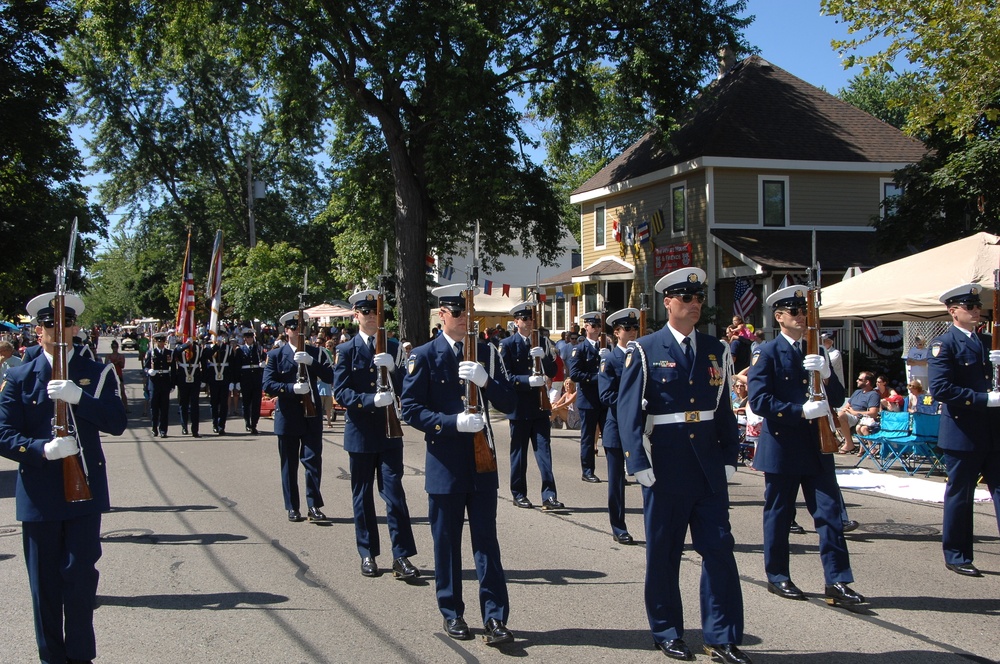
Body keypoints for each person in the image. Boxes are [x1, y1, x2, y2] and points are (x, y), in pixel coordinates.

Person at [617, 268, 750, 664]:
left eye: (698, 298)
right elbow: (628, 414)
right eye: (686, 298)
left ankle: (722, 637)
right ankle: (667, 631)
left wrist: (730, 455)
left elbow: (723, 407)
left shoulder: (716, 349)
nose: (694, 305)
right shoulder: (644, 350)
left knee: (720, 551)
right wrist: (636, 461)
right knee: (664, 553)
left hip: (708, 466)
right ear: (668, 303)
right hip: (666, 465)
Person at [0, 291, 127, 664]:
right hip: (39, 495)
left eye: (65, 324)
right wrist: (40, 449)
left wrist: (79, 398)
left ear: (76, 328)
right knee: (44, 585)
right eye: (49, 325)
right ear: (38, 331)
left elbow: (117, 422)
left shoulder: (96, 372)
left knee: (80, 577)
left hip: (84, 489)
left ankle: (81, 657)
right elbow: (4, 434)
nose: (58, 331)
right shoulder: (21, 376)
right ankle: (51, 658)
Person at [400, 283, 517, 646]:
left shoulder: (486, 351)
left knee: (487, 543)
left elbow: (511, 402)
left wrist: (487, 380)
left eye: (470, 312)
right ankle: (452, 612)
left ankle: (495, 618)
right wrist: (451, 423)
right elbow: (411, 409)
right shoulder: (425, 355)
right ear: (443, 315)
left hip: (482, 461)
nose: (466, 319)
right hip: (445, 463)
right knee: (446, 543)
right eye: (459, 312)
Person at [747, 284, 865, 613]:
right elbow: (759, 400)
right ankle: (778, 574)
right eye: (795, 312)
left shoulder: (817, 351)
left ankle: (837, 581)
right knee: (780, 515)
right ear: (780, 316)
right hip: (783, 445)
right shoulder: (767, 353)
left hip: (817, 445)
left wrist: (826, 374)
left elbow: (839, 399)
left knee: (828, 514)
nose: (802, 317)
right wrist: (799, 411)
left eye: (806, 312)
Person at [333, 290, 419, 579]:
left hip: (389, 432)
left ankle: (402, 555)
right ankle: (367, 552)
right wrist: (369, 401)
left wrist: (395, 370)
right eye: (365, 311)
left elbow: (408, 387)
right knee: (362, 496)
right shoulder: (346, 350)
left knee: (395, 495)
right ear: (356, 315)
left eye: (375, 311)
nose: (371, 316)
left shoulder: (393, 347)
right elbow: (341, 392)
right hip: (360, 433)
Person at [928, 283, 1000, 577]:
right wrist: (984, 399)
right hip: (963, 433)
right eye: (969, 307)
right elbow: (941, 388)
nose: (976, 311)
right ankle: (957, 554)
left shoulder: (989, 343)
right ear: (953, 311)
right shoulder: (945, 345)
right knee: (960, 494)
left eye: (977, 306)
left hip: (994, 432)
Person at [263, 310, 334, 523]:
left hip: (311, 415)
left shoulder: (317, 353)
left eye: (301, 327)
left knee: (313, 461)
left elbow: (331, 376)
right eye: (294, 328)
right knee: (289, 463)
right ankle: (292, 506)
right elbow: (267, 385)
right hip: (288, 416)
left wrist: (312, 362)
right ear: (286, 331)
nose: (298, 331)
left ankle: (313, 505)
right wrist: (291, 388)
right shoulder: (276, 355)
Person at [497, 301, 563, 510]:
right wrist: (526, 381)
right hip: (519, 408)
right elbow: (506, 376)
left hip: (539, 407)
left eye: (530, 318)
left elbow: (553, 371)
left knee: (544, 454)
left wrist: (544, 359)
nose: (528, 322)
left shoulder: (542, 342)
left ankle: (549, 496)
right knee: (519, 455)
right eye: (524, 319)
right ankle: (518, 493)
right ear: (516, 322)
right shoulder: (507, 344)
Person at [597, 307, 640, 545]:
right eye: (628, 328)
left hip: (642, 427)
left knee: (650, 478)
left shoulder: (642, 356)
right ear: (617, 332)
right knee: (616, 482)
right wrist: (634, 402)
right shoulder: (610, 359)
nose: (633, 332)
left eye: (635, 328)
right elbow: (606, 396)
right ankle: (618, 526)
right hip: (617, 426)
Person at [568, 311, 608, 483]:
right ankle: (588, 470)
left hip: (604, 399)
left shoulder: (605, 347)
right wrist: (596, 377)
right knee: (588, 437)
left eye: (599, 326)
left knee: (610, 436)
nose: (597, 329)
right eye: (594, 325)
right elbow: (575, 374)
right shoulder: (580, 349)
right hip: (589, 399)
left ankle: (616, 471)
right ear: (586, 327)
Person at [835, 371, 880, 453]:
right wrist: (847, 410)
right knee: (827, 414)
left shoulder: (873, 395)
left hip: (859, 418)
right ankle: (835, 440)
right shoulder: (857, 392)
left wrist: (855, 412)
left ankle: (849, 443)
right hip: (849, 415)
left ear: (867, 382)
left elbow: (873, 413)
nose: (857, 380)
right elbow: (847, 406)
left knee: (840, 415)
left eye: (859, 379)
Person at [143, 331, 174, 438]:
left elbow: (173, 369)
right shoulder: (151, 353)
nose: (160, 343)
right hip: (154, 382)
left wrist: (172, 384)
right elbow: (145, 367)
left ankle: (163, 430)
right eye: (158, 341)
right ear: (156, 342)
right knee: (154, 406)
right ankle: (154, 427)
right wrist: (149, 371)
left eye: (162, 341)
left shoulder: (169, 353)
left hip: (165, 381)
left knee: (164, 407)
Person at [172, 336, 204, 437]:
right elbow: (174, 355)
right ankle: (184, 426)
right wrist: (186, 345)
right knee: (183, 404)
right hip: (182, 378)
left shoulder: (198, 348)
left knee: (195, 405)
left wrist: (203, 380)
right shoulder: (180, 347)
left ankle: (195, 429)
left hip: (195, 378)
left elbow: (202, 363)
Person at [237, 329, 266, 434]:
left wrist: (263, 363)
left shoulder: (258, 349)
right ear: (245, 338)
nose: (249, 339)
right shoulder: (240, 349)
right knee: (246, 403)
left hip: (256, 379)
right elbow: (237, 366)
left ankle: (254, 424)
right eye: (247, 337)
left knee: (256, 403)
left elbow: (264, 359)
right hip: (245, 379)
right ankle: (247, 422)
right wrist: (236, 381)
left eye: (251, 337)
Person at [205, 331, 235, 435]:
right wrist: (215, 346)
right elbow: (206, 357)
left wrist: (232, 381)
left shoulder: (228, 348)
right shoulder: (209, 348)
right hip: (213, 377)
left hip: (225, 378)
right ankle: (215, 424)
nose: (220, 338)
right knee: (214, 402)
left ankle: (222, 425)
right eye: (217, 336)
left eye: (222, 336)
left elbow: (232, 366)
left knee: (223, 403)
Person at [104, 339, 128, 412]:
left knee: (122, 392)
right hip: (111, 375)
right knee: (110, 392)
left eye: (116, 347)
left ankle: (126, 408)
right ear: (111, 347)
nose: (115, 348)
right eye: (113, 347)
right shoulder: (108, 356)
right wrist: (115, 362)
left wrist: (117, 362)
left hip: (119, 375)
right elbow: (106, 365)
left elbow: (122, 365)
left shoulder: (121, 356)